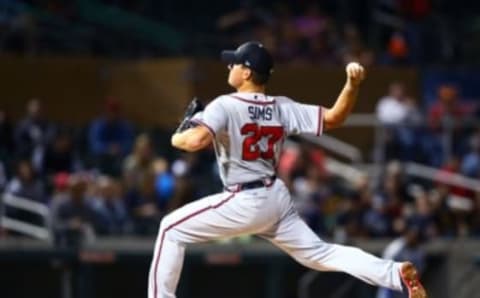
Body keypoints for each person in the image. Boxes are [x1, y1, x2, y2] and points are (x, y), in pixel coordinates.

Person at [147, 41, 428, 298]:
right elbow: (334, 118)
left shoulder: (224, 104)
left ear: (246, 72)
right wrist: (351, 85)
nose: (229, 66)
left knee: (170, 228)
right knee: (321, 253)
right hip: (274, 196)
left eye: (234, 63)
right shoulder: (281, 106)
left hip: (244, 199)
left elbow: (195, 141)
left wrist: (178, 135)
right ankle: (393, 273)